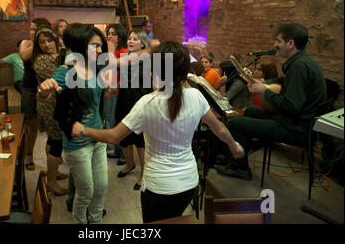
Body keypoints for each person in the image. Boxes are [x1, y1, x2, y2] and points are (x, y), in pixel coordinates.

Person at [70, 42, 245, 223]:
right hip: (188, 183)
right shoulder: (196, 96)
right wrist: (234, 145)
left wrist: (83, 129)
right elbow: (219, 128)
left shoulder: (148, 103)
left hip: (159, 187)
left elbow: (114, 136)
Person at [214, 23, 327, 181]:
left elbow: (292, 106)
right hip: (295, 122)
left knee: (235, 124)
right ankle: (234, 154)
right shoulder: (303, 61)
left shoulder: (299, 66)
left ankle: (239, 168)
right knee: (251, 111)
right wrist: (266, 82)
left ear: (291, 43)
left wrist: (265, 91)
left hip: (297, 129)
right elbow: (284, 81)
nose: (275, 45)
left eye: (278, 41)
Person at [38, 24, 109, 224]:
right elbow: (43, 95)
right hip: (78, 143)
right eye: (95, 46)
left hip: (98, 136)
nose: (100, 50)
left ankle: (96, 223)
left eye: (101, 46)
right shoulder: (65, 71)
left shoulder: (97, 67)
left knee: (101, 188)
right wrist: (44, 89)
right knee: (86, 191)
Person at [114, 29, 154, 190]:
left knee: (140, 139)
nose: (130, 41)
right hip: (124, 97)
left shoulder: (146, 57)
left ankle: (144, 173)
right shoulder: (125, 57)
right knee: (122, 134)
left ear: (143, 43)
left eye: (135, 39)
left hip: (140, 97)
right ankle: (130, 163)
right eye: (129, 38)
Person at [32, 28, 68, 196]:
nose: (46, 45)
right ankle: (51, 182)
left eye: (49, 40)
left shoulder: (62, 53)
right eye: (42, 42)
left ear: (55, 39)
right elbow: (58, 77)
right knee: (56, 142)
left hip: (60, 102)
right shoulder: (40, 60)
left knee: (53, 140)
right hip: (49, 104)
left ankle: (53, 172)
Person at [19, 18, 51, 170]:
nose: (32, 32)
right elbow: (24, 56)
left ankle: (53, 160)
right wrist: (38, 41)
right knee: (32, 124)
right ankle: (28, 155)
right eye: (31, 29)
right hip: (30, 89)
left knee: (50, 125)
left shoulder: (47, 44)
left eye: (35, 29)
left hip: (46, 89)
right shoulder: (27, 43)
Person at [104, 24, 128, 162]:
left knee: (117, 121)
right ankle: (117, 150)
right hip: (109, 89)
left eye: (113, 33)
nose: (110, 36)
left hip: (118, 91)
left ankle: (124, 154)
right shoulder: (111, 51)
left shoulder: (123, 51)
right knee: (110, 120)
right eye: (109, 33)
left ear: (120, 35)